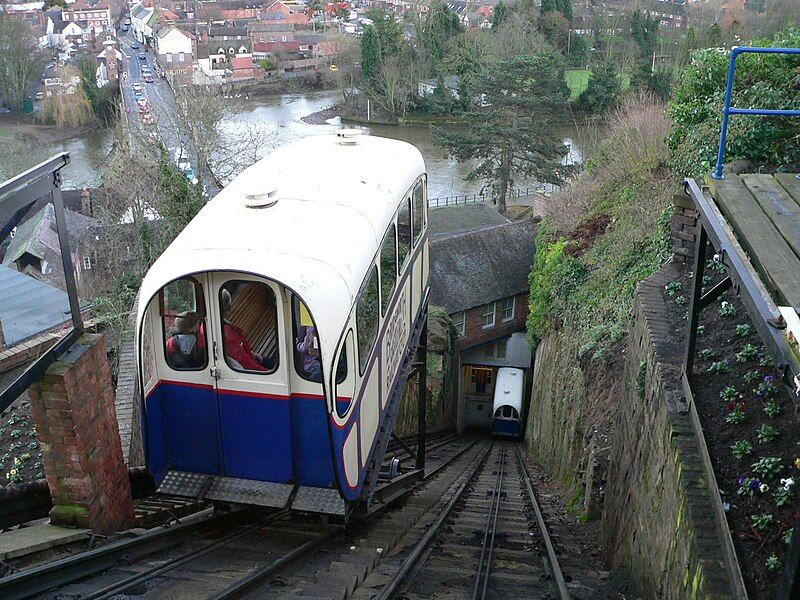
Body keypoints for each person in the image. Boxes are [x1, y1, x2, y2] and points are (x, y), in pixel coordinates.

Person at [220, 289, 276, 372]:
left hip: (251, 358)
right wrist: (266, 371)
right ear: (229, 307)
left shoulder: (222, 327)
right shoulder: (227, 335)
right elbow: (245, 362)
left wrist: (254, 355)